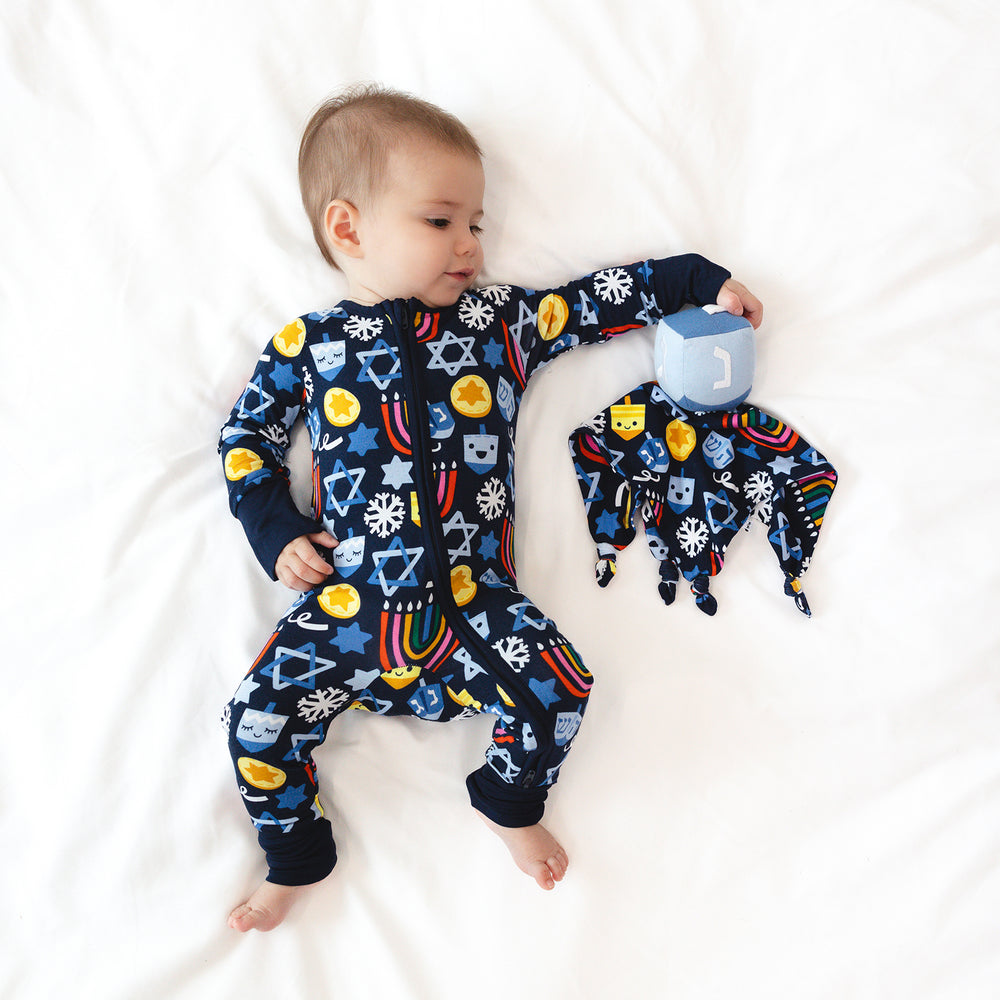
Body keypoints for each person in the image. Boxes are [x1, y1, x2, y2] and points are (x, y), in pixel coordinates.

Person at [219, 83, 762, 932]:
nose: (470, 243)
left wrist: (700, 281)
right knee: (254, 724)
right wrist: (275, 528)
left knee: (564, 690)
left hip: (476, 605)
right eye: (441, 222)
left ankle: (509, 800)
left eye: (476, 222)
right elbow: (246, 442)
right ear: (348, 227)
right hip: (347, 609)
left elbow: (592, 303)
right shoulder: (308, 345)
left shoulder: (498, 323)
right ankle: (294, 853)